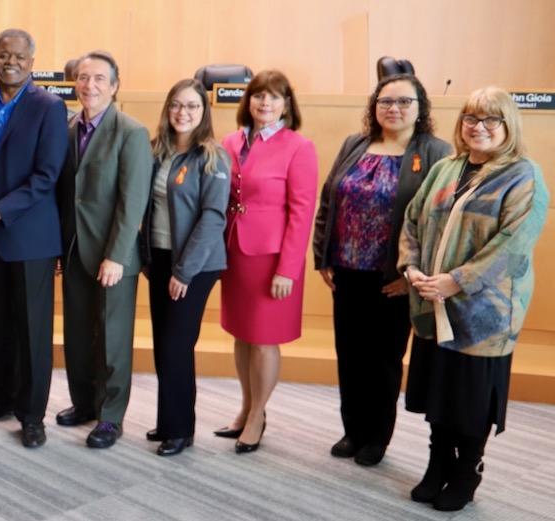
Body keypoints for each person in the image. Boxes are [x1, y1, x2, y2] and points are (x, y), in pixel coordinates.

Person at [399, 87, 548, 511]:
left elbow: (513, 245)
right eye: (470, 118)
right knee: (438, 393)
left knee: (469, 399)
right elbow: (413, 220)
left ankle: (468, 470)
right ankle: (438, 462)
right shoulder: (446, 167)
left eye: (490, 120)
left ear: (508, 126)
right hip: (432, 304)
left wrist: (457, 280)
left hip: (484, 313)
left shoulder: (523, 175)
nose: (478, 127)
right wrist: (410, 267)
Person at [312, 74, 452, 466]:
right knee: (350, 355)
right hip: (346, 270)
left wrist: (412, 274)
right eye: (385, 101)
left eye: (404, 102)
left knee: (384, 359)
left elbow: (439, 222)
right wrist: (323, 256)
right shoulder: (354, 144)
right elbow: (329, 200)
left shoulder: (436, 152)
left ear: (421, 107)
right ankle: (352, 430)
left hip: (394, 278)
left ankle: (377, 436)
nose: (394, 108)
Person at [0, 28, 68, 448]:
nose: (10, 61)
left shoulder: (50, 107)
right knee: (0, 323)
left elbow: (47, 177)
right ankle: (3, 398)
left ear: (32, 60)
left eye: (19, 56)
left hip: (28, 237)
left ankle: (32, 415)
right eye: (3, 54)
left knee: (32, 330)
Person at [217, 69, 318, 454]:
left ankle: (259, 415)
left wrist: (288, 269)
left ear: (286, 105)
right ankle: (245, 408)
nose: (265, 103)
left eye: (274, 97)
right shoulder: (231, 140)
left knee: (263, 342)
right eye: (259, 96)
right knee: (241, 337)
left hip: (272, 259)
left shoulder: (298, 147)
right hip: (235, 253)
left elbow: (301, 212)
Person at [55, 51, 152, 449]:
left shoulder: (131, 132)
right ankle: (84, 404)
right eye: (82, 78)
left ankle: (111, 417)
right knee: (77, 335)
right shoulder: (67, 125)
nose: (89, 85)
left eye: (98, 78)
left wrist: (117, 254)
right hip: (75, 249)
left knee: (112, 339)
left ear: (114, 86)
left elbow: (133, 202)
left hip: (114, 255)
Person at [138, 78, 229, 456]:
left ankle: (181, 430)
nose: (183, 112)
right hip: (159, 258)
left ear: (203, 112)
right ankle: (168, 420)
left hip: (194, 264)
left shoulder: (212, 156)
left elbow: (213, 218)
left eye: (192, 106)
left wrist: (183, 272)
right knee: (164, 345)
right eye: (176, 104)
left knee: (177, 345)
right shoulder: (156, 150)